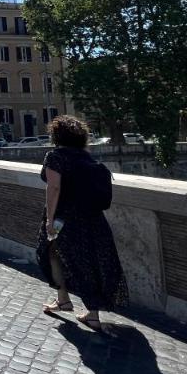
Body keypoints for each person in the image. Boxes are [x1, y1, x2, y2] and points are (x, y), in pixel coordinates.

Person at [38, 114, 127, 327]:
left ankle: (76, 305)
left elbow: (54, 188)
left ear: (57, 135)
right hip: (92, 217)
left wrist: (49, 220)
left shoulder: (55, 157)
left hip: (65, 219)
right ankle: (71, 304)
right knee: (87, 261)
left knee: (52, 252)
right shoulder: (85, 157)